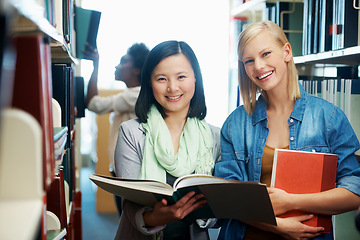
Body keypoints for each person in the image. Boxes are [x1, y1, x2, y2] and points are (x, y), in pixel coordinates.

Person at [214, 20, 360, 240]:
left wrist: (291, 201)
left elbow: (354, 192)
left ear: (286, 52)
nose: (259, 66)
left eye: (266, 54)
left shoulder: (328, 118)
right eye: (249, 61)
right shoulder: (235, 124)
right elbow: (228, 199)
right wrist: (277, 226)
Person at [113, 40, 221, 240]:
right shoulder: (131, 133)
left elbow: (222, 210)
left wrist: (199, 213)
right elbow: (129, 206)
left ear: (195, 78)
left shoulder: (215, 137)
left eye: (181, 77)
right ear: (149, 82)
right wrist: (155, 217)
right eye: (161, 79)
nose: (172, 88)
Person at [84, 42, 150, 216]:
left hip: (128, 175)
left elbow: (93, 104)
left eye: (123, 62)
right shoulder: (133, 94)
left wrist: (95, 65)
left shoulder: (135, 95)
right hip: (124, 172)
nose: (117, 65)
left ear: (137, 70)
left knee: (129, 221)